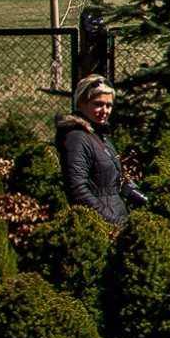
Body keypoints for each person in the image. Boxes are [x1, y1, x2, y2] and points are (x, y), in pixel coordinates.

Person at [55, 75, 138, 227]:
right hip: (102, 226)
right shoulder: (77, 138)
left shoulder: (98, 136)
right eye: (98, 104)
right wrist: (113, 222)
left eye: (109, 105)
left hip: (117, 218)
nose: (105, 111)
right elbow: (78, 191)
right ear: (81, 103)